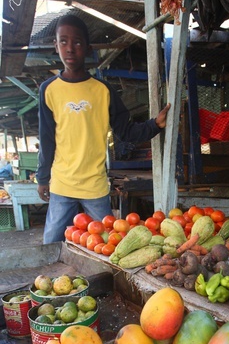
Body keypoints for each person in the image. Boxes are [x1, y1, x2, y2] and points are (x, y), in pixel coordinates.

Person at [36, 14, 170, 244]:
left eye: (77, 42)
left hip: (95, 186)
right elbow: (47, 138)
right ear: (55, 45)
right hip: (62, 184)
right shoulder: (48, 90)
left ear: (87, 48)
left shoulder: (103, 91)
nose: (70, 48)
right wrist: (42, 178)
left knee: (110, 244)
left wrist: (154, 125)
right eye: (64, 41)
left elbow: (125, 131)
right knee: (51, 244)